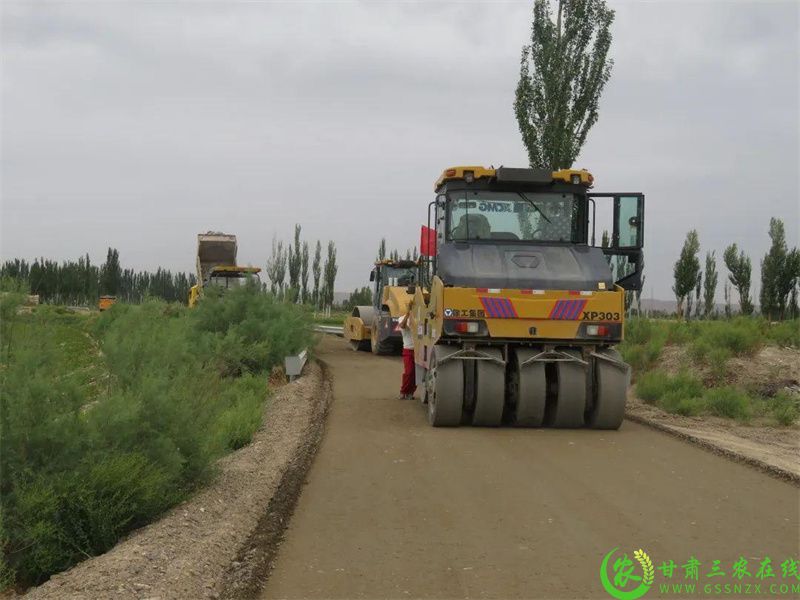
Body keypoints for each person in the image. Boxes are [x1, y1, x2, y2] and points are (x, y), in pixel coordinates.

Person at [398, 306, 416, 400]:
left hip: (418, 350)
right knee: (409, 372)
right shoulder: (402, 318)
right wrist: (408, 314)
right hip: (408, 349)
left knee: (415, 373)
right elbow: (402, 326)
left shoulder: (418, 318)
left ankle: (411, 392)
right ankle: (403, 391)